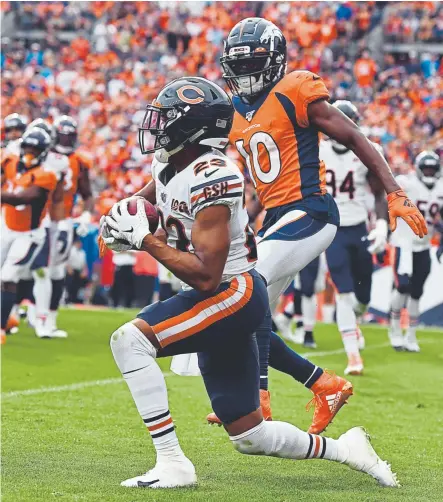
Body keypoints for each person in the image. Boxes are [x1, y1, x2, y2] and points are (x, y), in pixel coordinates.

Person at [100, 76, 399, 489]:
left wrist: (147, 241)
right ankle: (348, 449)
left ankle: (172, 463)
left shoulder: (213, 177)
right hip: (223, 296)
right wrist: (120, 221)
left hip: (231, 294)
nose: (157, 126)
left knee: (129, 341)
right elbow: (143, 202)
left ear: (194, 129)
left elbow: (205, 276)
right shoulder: (170, 162)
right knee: (250, 435)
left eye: (167, 119)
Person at [204, 17, 426, 426]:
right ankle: (325, 384)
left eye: (252, 63)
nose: (243, 73)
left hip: (312, 210)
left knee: (244, 291)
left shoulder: (295, 90)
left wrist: (394, 191)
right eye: (238, 64)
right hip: (276, 217)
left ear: (272, 62)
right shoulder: (231, 112)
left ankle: (259, 400)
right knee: (247, 314)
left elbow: (357, 137)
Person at [321, 100, 389, 375]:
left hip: (359, 226)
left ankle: (356, 321)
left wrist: (382, 224)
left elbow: (378, 191)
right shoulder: (316, 150)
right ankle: (353, 357)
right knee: (344, 291)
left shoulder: (368, 151)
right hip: (331, 228)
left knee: (362, 296)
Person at [1, 128, 63, 339]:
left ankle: (1, 328)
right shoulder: (9, 162)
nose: (30, 152)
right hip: (6, 226)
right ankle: (8, 319)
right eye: (27, 147)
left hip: (29, 235)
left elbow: (23, 198)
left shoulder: (47, 175)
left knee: (8, 275)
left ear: (43, 152)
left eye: (35, 149)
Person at [45, 115, 94, 336]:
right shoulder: (43, 154)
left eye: (69, 137)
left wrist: (85, 215)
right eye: (62, 136)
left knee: (54, 271)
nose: (65, 141)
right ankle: (22, 311)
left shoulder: (80, 162)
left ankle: (48, 318)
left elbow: (88, 195)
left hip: (62, 220)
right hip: (37, 220)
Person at [389, 151, 442, 352]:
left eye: (432, 169)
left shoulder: (441, 187)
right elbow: (389, 195)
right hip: (404, 243)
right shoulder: (406, 183)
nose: (429, 172)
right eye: (426, 168)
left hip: (424, 246)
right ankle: (394, 330)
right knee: (402, 287)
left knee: (417, 292)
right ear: (419, 169)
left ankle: (410, 335)